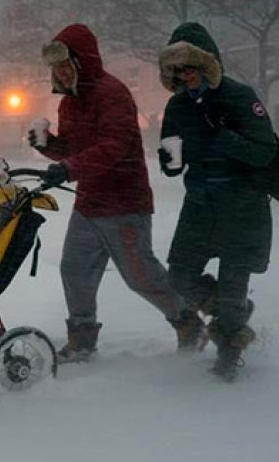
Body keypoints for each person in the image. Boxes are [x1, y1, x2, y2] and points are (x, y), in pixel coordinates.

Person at [31, 24, 203, 362]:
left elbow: (114, 146)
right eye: (56, 68)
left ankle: (187, 322)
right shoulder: (69, 103)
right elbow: (73, 148)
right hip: (90, 203)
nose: (61, 72)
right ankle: (82, 338)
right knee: (74, 268)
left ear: (84, 61)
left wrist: (69, 168)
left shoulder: (112, 94)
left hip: (125, 202)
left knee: (140, 276)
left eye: (66, 65)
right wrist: (49, 146)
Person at [156, 22, 278, 381]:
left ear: (207, 64)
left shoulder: (239, 98)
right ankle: (229, 312)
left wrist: (225, 139)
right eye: (175, 71)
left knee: (232, 285)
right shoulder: (177, 106)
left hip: (243, 206)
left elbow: (265, 152)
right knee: (179, 275)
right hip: (200, 205)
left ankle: (227, 358)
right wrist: (169, 159)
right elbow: (171, 163)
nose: (183, 77)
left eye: (189, 68)